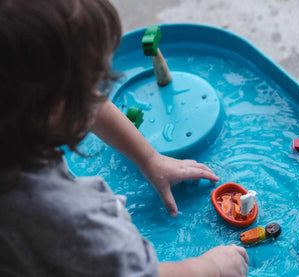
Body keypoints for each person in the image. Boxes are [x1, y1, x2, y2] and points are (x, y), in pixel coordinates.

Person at [0, 0, 249, 276]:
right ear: (55, 108)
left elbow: (83, 104)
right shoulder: (70, 219)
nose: (101, 95)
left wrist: (149, 158)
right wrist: (212, 267)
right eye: (95, 85)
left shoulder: (16, 112)